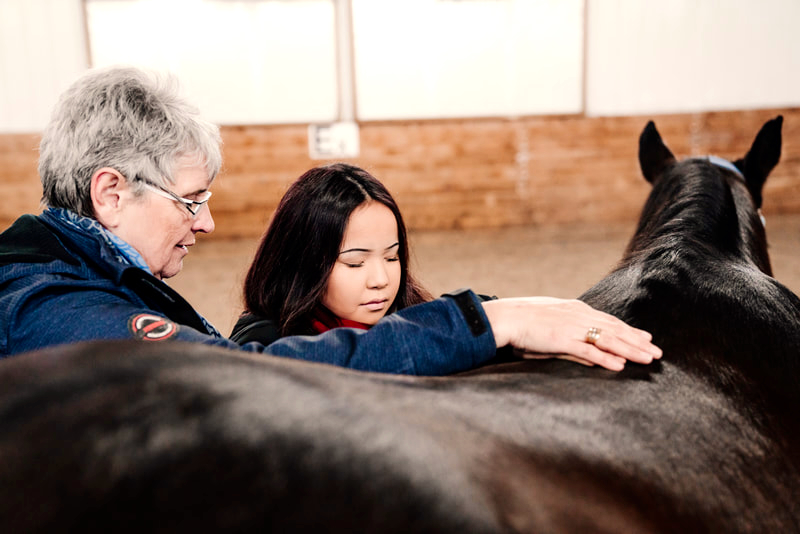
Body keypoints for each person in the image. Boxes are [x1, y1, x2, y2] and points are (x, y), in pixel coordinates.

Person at [0, 65, 662, 375]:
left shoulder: (84, 274)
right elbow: (239, 378)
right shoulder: (47, 306)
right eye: (191, 199)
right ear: (111, 193)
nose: (204, 224)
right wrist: (493, 321)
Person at [230, 163, 433, 345]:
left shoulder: (418, 324)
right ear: (304, 262)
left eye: (391, 257)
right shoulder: (269, 349)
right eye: (355, 262)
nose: (381, 280)